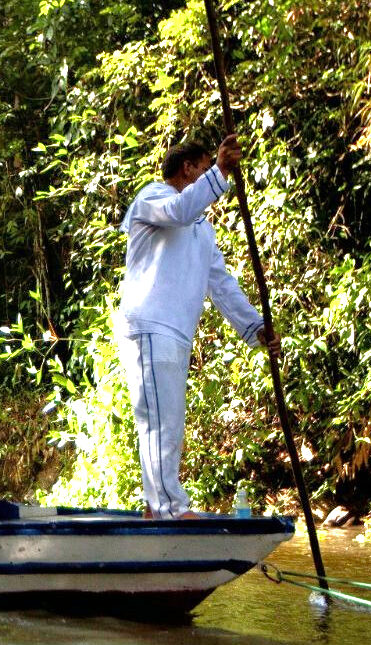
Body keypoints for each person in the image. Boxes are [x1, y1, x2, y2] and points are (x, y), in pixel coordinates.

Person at [118, 136, 279, 519]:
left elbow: (221, 284)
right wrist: (220, 171)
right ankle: (167, 507)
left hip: (175, 331)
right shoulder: (154, 198)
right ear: (189, 167)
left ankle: (160, 507)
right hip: (149, 324)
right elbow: (178, 210)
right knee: (159, 420)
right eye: (206, 165)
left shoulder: (202, 230)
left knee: (169, 419)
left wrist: (256, 327)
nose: (212, 173)